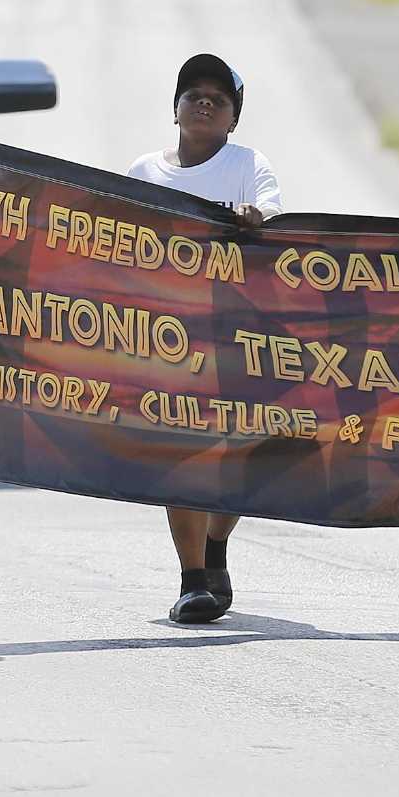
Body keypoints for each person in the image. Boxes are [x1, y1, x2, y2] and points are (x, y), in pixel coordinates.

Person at [124, 54, 280, 624]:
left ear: (234, 118)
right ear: (175, 108)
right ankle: (193, 575)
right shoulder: (145, 171)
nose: (205, 102)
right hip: (168, 337)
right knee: (183, 454)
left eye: (219, 97)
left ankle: (216, 541)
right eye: (193, 93)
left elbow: (271, 212)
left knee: (243, 459)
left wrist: (250, 217)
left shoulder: (247, 164)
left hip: (235, 331)